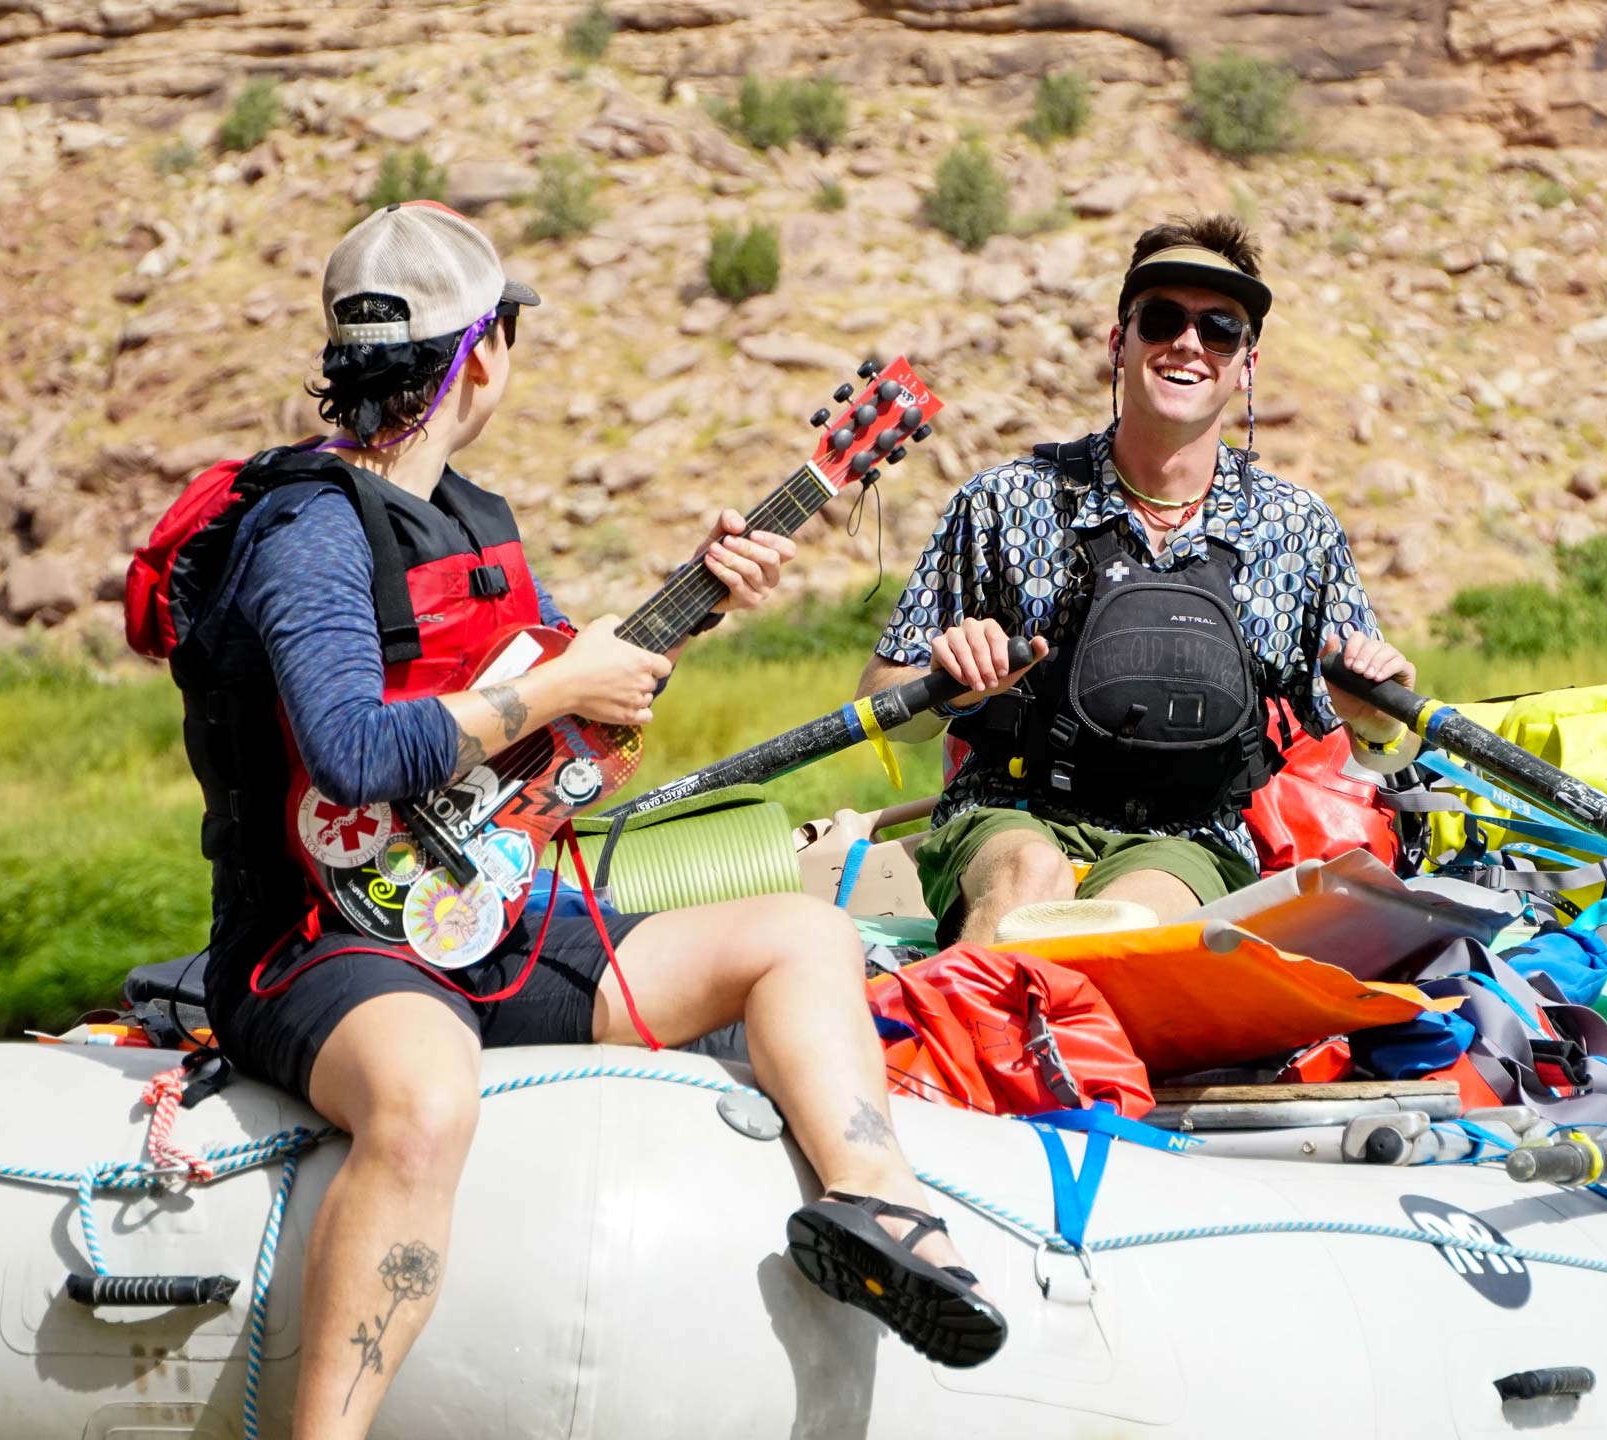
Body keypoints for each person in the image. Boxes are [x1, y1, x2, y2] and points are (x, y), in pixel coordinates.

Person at [156, 201, 1005, 1438]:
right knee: (426, 1095)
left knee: (803, 939)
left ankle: (876, 1202)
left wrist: (691, 603)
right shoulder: (306, 533)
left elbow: (551, 730)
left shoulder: (475, 521)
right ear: (484, 352)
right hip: (316, 948)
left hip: (479, 920)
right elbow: (348, 753)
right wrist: (558, 685)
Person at [856, 214, 1417, 946]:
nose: (1189, 344)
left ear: (1246, 363)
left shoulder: (1295, 528)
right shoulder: (1004, 500)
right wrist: (947, 686)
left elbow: (1385, 750)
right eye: (1162, 320)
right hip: (1008, 814)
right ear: (1119, 343)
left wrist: (1374, 717)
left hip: (1189, 840)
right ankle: (948, 1046)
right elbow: (879, 700)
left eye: (1220, 328)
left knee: (1128, 925)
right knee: (1030, 886)